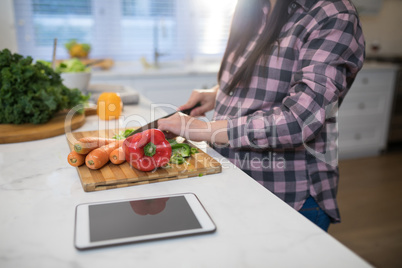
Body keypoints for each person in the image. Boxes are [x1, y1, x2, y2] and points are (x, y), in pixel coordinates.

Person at [158, 0, 365, 231]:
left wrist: (202, 129)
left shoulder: (333, 15)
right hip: (233, 178)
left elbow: (299, 120)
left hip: (289, 194)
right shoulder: (252, 5)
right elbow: (266, 78)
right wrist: (218, 93)